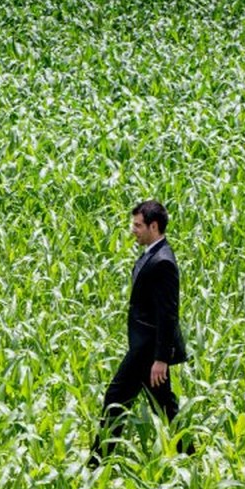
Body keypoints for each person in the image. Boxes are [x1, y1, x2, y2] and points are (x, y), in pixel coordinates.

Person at [88, 200, 191, 467]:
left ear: (153, 226)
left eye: (137, 225)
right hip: (145, 349)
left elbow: (168, 314)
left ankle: (97, 464)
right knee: (165, 407)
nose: (133, 230)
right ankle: (190, 457)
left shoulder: (163, 262)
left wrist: (161, 359)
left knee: (115, 398)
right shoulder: (152, 254)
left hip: (147, 352)